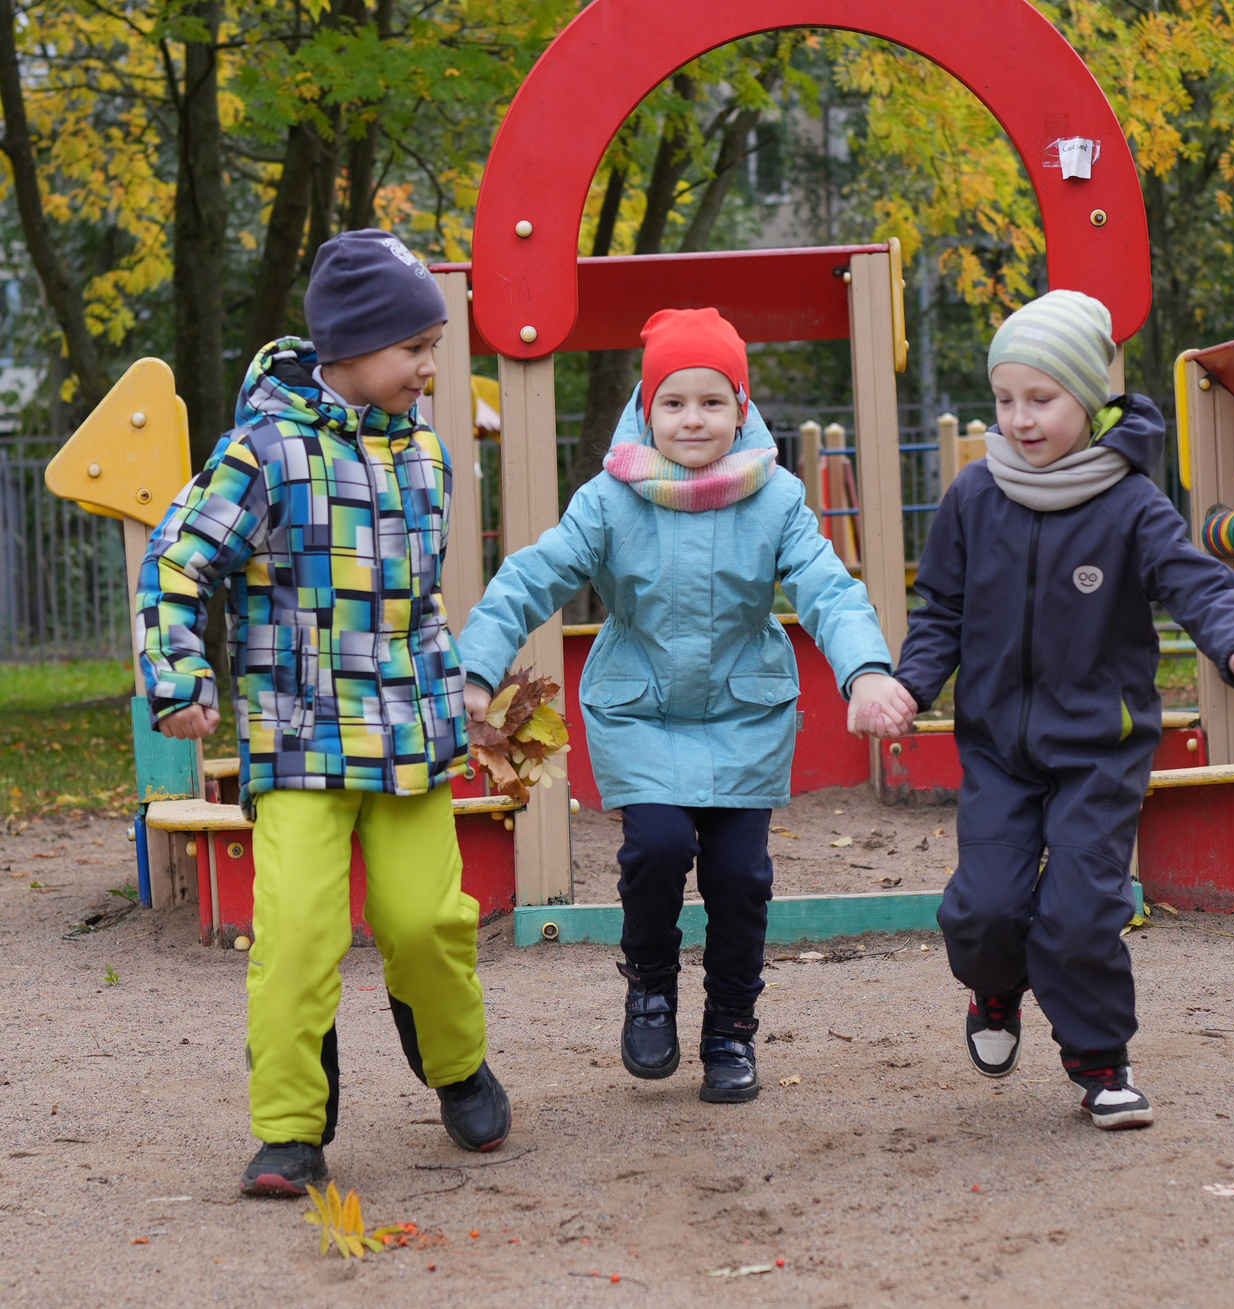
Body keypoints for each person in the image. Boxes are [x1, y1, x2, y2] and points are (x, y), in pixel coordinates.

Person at [136, 229, 511, 1196]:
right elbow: (177, 559)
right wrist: (179, 675)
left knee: (425, 921)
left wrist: (460, 691)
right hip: (299, 735)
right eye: (414, 347)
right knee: (298, 934)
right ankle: (291, 1128)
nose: (429, 367)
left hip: (410, 733)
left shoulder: (428, 455)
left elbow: (424, 603)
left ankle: (456, 1062)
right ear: (349, 344)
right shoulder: (262, 453)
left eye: (434, 346)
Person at [457, 307, 909, 1103]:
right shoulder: (610, 499)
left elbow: (828, 588)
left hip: (744, 711)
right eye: (674, 401)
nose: (693, 419)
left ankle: (731, 1028)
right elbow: (531, 577)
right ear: (646, 407)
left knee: (740, 875)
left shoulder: (776, 498)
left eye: (711, 401)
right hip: (642, 708)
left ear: (742, 406)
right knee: (658, 848)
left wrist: (865, 670)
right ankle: (651, 986)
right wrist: (476, 668)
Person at [862, 290, 1234, 1128]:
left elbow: (1194, 579)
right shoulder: (974, 496)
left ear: (1088, 400)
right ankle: (994, 988)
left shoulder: (1129, 503)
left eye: (1041, 398)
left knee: (1081, 911)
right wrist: (910, 683)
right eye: (1005, 398)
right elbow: (941, 609)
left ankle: (1099, 1061)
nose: (1019, 418)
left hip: (1098, 749)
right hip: (999, 749)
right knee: (984, 909)